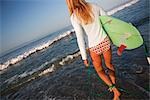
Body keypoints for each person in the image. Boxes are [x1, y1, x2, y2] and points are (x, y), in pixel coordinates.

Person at [66, 0, 121, 100]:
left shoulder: (74, 17)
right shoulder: (93, 6)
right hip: (105, 41)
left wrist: (84, 57)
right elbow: (108, 20)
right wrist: (116, 36)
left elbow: (80, 37)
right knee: (109, 65)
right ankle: (114, 85)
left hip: (94, 47)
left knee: (100, 71)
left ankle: (114, 90)